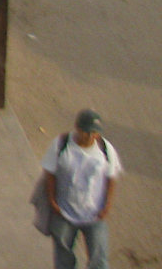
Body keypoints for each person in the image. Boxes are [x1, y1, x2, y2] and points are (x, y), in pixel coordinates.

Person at [44, 109, 120, 269]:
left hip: (94, 215)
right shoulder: (61, 144)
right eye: (87, 132)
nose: (91, 136)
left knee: (99, 260)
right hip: (64, 212)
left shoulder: (106, 149)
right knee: (63, 259)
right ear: (77, 128)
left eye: (95, 132)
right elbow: (50, 173)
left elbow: (111, 178)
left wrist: (107, 205)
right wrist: (52, 201)